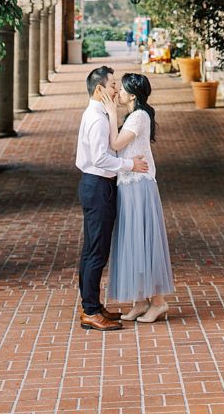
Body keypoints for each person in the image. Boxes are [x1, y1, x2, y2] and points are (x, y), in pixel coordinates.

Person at [75, 66, 150, 331]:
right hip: (98, 186)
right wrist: (130, 164)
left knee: (93, 249)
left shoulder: (98, 113)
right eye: (113, 85)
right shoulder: (96, 118)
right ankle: (90, 311)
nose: (117, 89)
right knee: (96, 251)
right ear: (99, 89)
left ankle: (92, 305)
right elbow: (100, 158)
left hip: (98, 185)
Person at [100, 73, 174, 323]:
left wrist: (110, 113)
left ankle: (158, 302)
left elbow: (116, 142)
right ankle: (141, 301)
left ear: (132, 94)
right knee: (134, 242)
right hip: (129, 184)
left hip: (139, 186)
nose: (117, 93)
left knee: (144, 242)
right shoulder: (133, 116)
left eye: (121, 90)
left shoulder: (139, 116)